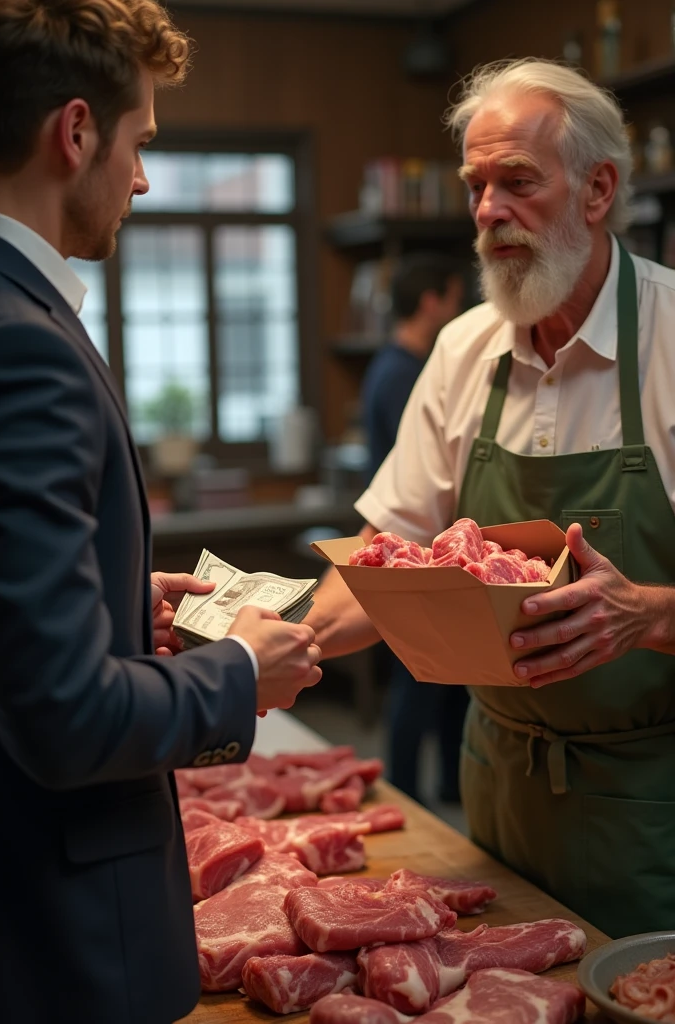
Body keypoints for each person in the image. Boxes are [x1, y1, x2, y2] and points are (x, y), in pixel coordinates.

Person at [0, 2, 321, 1022]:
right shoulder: (24, 345)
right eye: (139, 144)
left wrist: (120, 601)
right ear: (75, 132)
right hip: (61, 942)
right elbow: (64, 719)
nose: (140, 178)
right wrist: (240, 673)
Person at [307, 57, 675, 940]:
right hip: (496, 779)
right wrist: (263, 654)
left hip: (650, 801)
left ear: (597, 190)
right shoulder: (467, 349)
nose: (487, 213)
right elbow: (381, 554)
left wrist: (648, 612)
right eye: (477, 186)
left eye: (518, 182)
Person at [361, 253, 468, 804]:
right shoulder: (406, 373)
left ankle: (449, 785)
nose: (457, 309)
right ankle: (404, 792)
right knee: (420, 683)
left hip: (421, 551)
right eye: (452, 297)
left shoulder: (391, 364)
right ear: (432, 301)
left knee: (443, 687)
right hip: (412, 552)